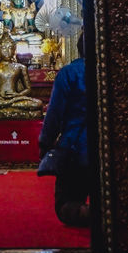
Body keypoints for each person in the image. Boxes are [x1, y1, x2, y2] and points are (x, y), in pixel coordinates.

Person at [38, 32, 90, 227]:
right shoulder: (112, 71)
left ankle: (88, 214)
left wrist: (45, 143)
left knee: (65, 203)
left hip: (74, 148)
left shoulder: (69, 73)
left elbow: (54, 113)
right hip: (110, 147)